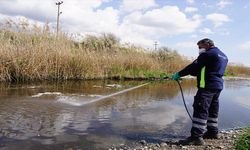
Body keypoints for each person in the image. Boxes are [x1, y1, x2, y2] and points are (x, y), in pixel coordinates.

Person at [172, 38, 228, 145]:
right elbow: (205, 70)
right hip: (217, 86)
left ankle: (196, 137)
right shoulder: (223, 56)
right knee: (212, 109)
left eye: (200, 46)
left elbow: (193, 67)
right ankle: (212, 132)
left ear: (207, 44)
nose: (199, 49)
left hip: (207, 87)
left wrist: (178, 74)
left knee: (200, 108)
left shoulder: (207, 54)